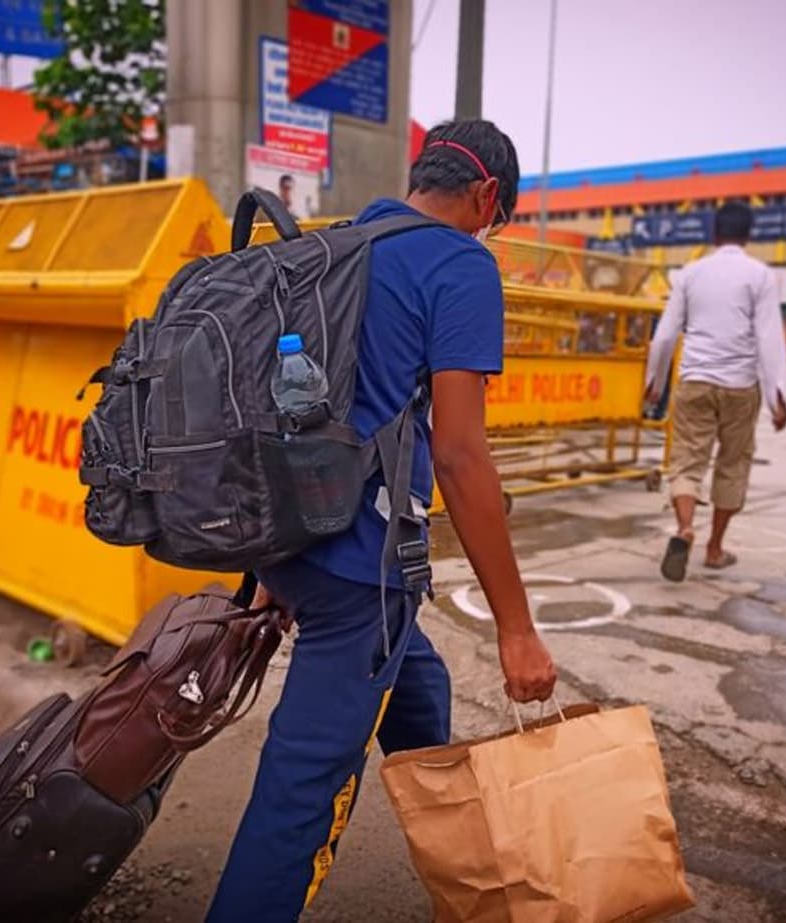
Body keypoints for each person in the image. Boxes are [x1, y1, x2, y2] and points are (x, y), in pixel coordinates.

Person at [207, 120, 557, 921]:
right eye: (497, 220)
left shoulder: (337, 243)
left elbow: (287, 404)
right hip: (357, 567)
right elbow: (461, 454)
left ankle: (474, 889)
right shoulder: (460, 263)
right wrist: (516, 628)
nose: (490, 232)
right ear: (487, 197)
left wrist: (272, 560)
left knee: (420, 689)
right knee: (301, 791)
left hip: (296, 539)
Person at [646, 202, 786, 582]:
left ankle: (684, 529)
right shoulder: (760, 275)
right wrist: (777, 398)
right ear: (748, 235)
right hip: (740, 385)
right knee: (732, 465)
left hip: (695, 380)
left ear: (714, 234)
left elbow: (665, 335)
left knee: (687, 461)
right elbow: (769, 338)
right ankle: (714, 549)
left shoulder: (690, 274)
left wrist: (654, 384)